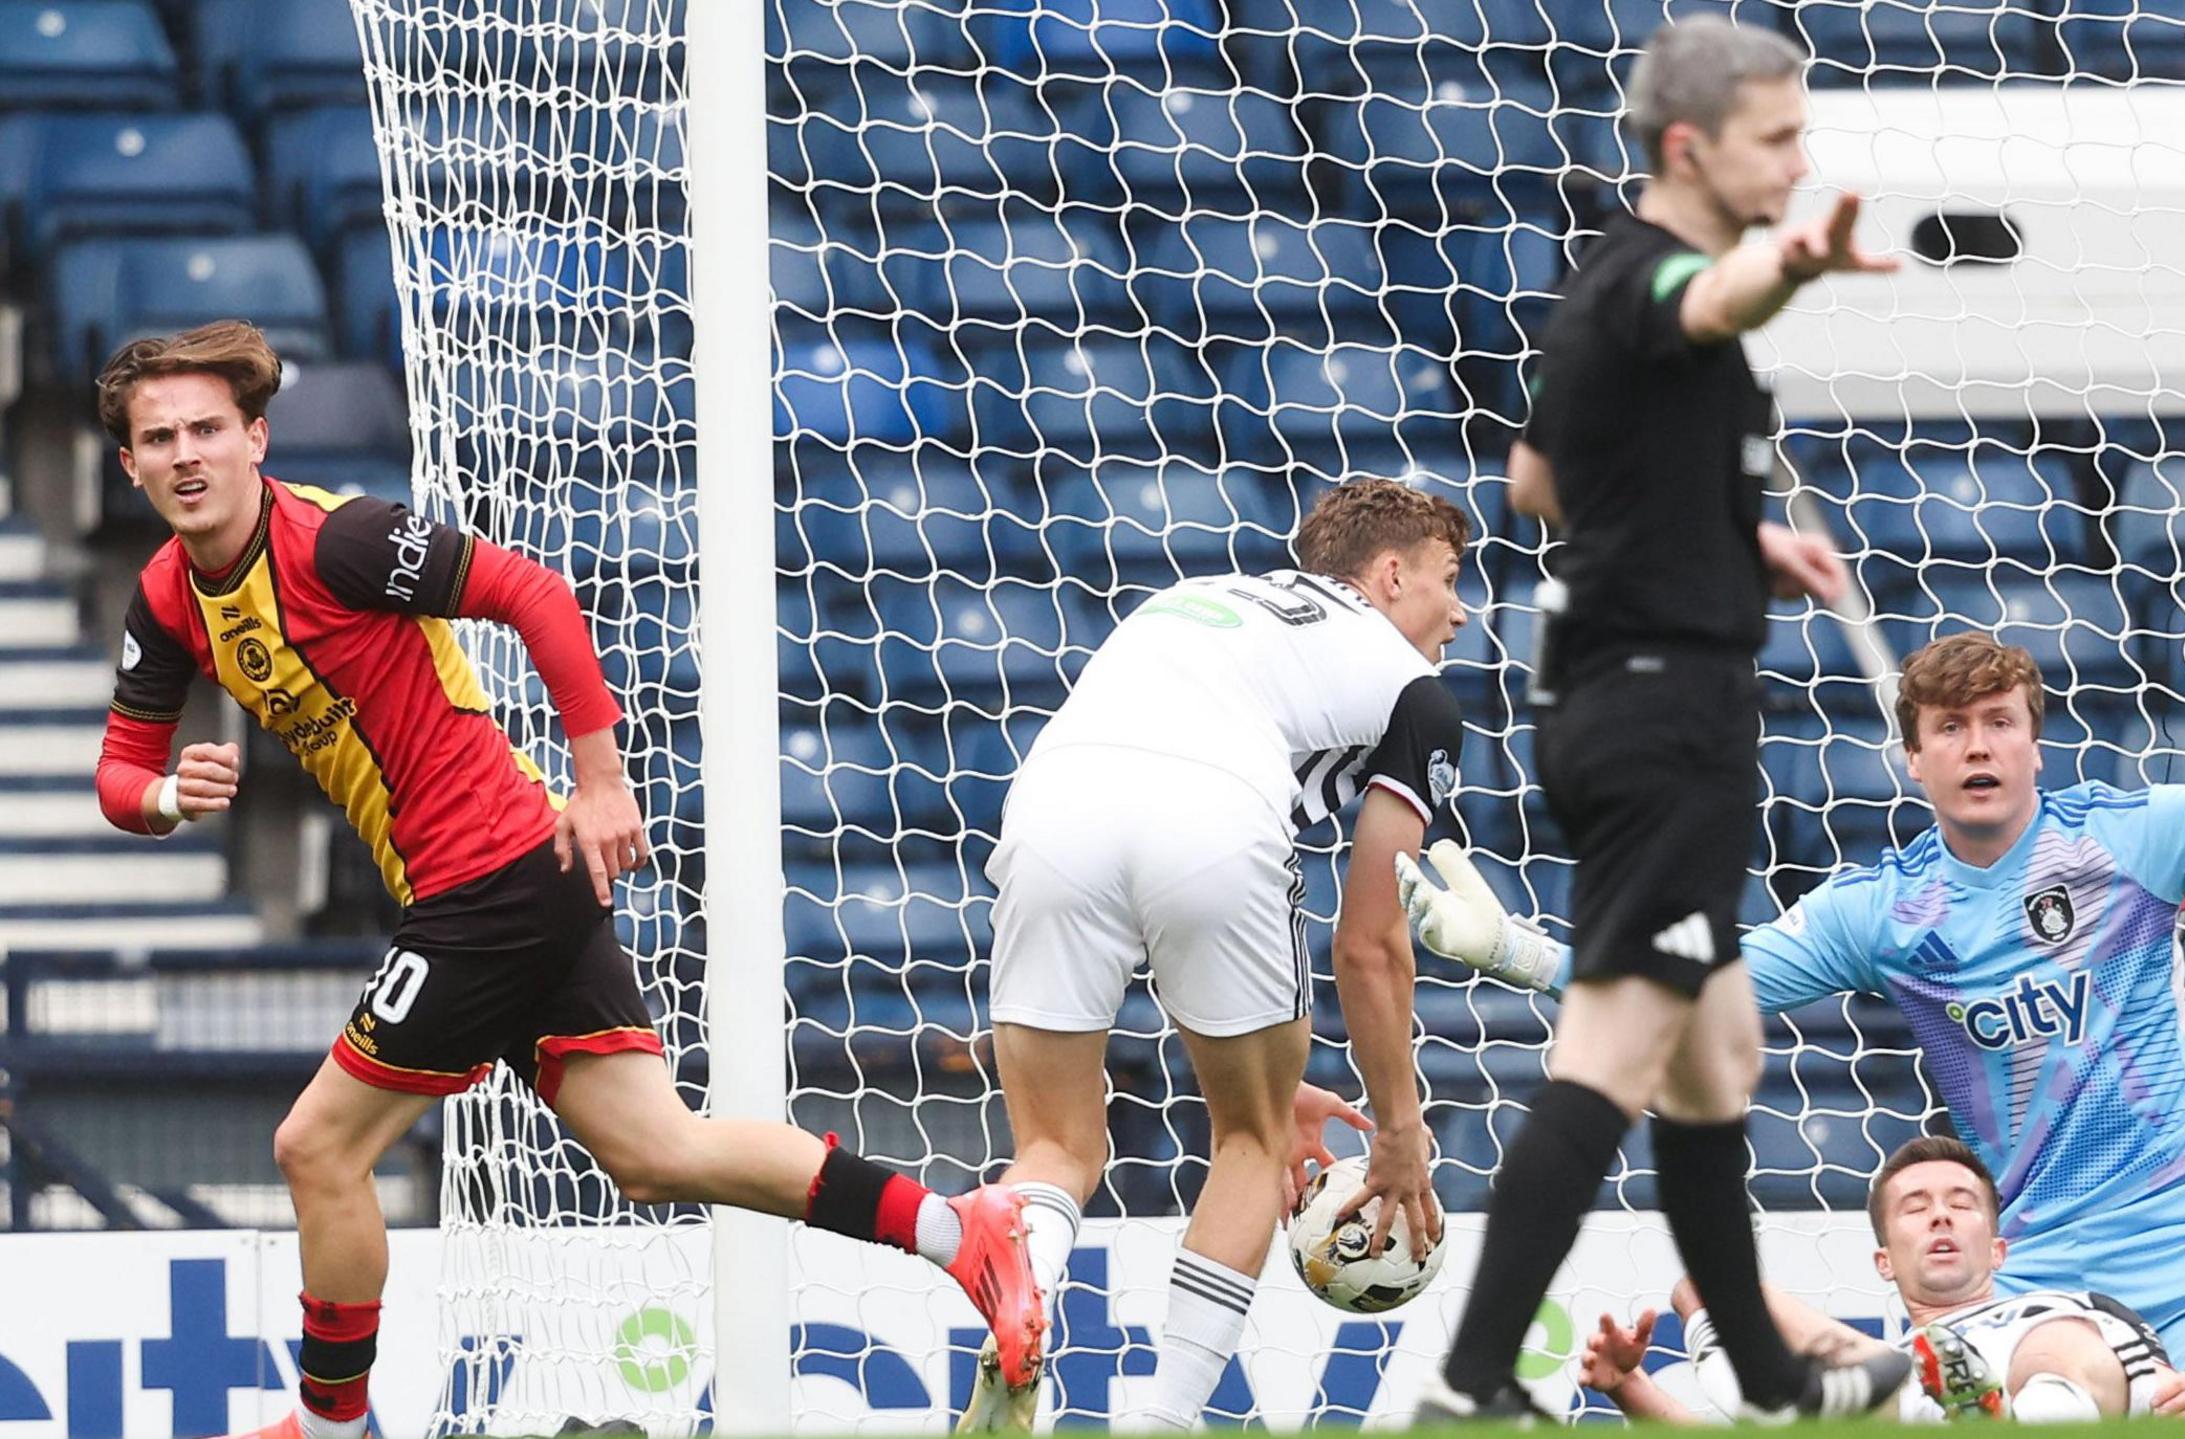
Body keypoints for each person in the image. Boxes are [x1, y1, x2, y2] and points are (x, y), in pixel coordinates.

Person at [89, 321, 1044, 1439]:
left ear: (256, 436)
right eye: (162, 438)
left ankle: (331, 1429)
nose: (187, 453)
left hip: (491, 873)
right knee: (656, 1150)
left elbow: (531, 590)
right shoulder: (166, 597)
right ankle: (959, 1231)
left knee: (317, 1146)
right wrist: (167, 797)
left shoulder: (342, 541)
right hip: (505, 879)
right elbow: (119, 770)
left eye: (209, 427)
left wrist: (600, 782)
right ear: (131, 465)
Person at [1401, 559, 2185, 1414]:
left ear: (2032, 741)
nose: (1977, 745)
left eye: (1998, 721)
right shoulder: (1885, 909)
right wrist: (1517, 953)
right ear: (1912, 760)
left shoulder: (2133, 837)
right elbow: (1694, 980)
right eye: (1950, 729)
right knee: (2051, 1405)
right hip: (2033, 1264)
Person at [1415, 13, 1905, 1422]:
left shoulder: (1597, 294)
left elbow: (1535, 481)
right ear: (1689, 149)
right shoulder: (1669, 279)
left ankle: (1769, 1374)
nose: (1801, 162)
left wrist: (1732, 537)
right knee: (1612, 1050)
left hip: (1622, 699)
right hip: (1662, 715)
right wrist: (1793, 264)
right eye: (1779, 138)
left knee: (1722, 1047)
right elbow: (1721, 297)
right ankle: (1468, 1379)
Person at [962, 478, 1470, 1430]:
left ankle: (1020, 1305)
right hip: (1214, 815)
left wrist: (1273, 1072)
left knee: (1055, 1147)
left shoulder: (1199, 598)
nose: (1462, 608)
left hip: (1053, 803)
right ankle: (1161, 1422)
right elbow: (1369, 944)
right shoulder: (1418, 692)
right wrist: (1398, 1131)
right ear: (1392, 573)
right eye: (1450, 578)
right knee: (1252, 1140)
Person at [1581, 1136, 2185, 1423]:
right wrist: (1629, 1387)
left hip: (2039, 1394)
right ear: (1884, 1261)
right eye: (1915, 1206)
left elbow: (2172, 1398)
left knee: (2054, 1343)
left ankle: (1991, 1423)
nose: (1940, 1213)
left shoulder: (2075, 1308)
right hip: (1911, 1399)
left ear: (1997, 1250)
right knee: (1706, 1289)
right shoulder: (1887, 1365)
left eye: (1960, 1203)